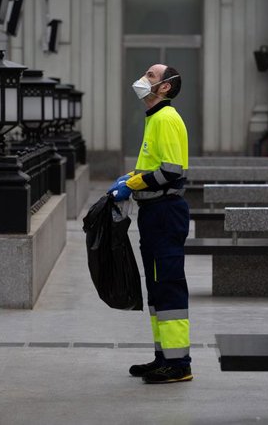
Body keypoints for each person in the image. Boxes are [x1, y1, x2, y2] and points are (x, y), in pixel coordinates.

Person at [107, 64, 192, 384]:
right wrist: (131, 178)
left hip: (165, 212)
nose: (143, 80)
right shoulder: (155, 119)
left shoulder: (167, 119)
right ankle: (164, 358)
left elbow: (171, 172)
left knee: (167, 284)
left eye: (151, 76)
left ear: (166, 87)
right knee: (157, 287)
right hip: (154, 212)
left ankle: (179, 363)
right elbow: (153, 166)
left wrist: (133, 184)